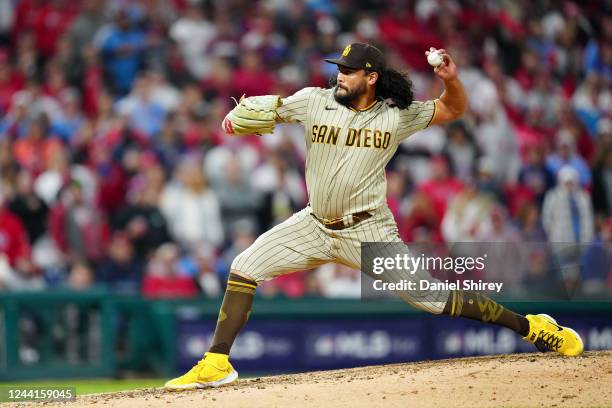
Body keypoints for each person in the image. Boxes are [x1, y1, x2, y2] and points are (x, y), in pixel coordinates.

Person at [164, 43, 583, 391]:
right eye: (339, 69)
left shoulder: (395, 116)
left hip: (368, 230)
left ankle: (532, 326)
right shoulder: (314, 101)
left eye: (349, 71)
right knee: (243, 267)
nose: (340, 76)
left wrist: (451, 80)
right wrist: (239, 119)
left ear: (371, 77)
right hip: (314, 223)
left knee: (434, 300)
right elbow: (271, 109)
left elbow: (452, 110)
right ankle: (217, 362)